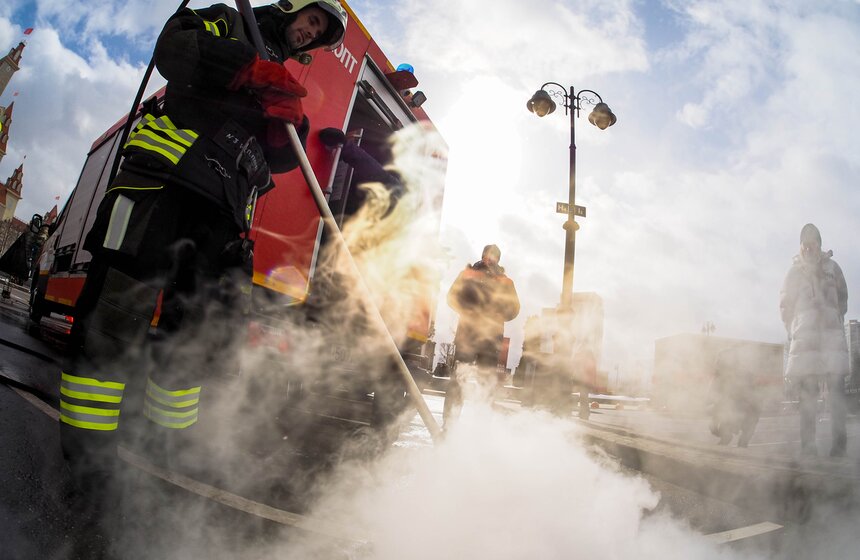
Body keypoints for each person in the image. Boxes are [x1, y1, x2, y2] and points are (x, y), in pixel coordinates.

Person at [58, 0, 347, 554]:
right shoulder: (229, 21)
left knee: (199, 344)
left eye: (319, 31)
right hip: (160, 189)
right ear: (291, 7)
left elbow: (281, 161)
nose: (309, 31)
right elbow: (175, 47)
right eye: (310, 17)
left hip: (223, 217)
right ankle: (89, 472)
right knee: (114, 324)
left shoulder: (287, 75)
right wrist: (244, 69)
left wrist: (291, 120)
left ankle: (164, 458)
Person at [780, 223, 849, 457]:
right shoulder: (794, 272)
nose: (809, 247)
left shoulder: (833, 268)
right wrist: (793, 327)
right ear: (801, 245)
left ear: (820, 244)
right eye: (805, 243)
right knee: (808, 396)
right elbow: (785, 304)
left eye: (813, 242)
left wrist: (835, 317)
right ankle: (808, 447)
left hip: (831, 338)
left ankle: (839, 446)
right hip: (806, 342)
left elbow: (843, 297)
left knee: (837, 393)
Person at [443, 244, 520, 427]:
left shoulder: (505, 281)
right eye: (487, 254)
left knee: (486, 383)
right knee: (459, 380)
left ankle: (480, 428)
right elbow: (451, 297)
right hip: (467, 336)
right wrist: (468, 311)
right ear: (483, 255)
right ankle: (449, 424)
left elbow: (514, 309)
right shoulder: (468, 274)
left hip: (491, 340)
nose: (489, 258)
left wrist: (496, 314)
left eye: (494, 256)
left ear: (498, 259)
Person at [707, 345, 762, 448]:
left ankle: (740, 444)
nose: (718, 362)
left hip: (747, 409)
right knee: (715, 427)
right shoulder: (719, 376)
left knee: (743, 439)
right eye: (719, 360)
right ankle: (726, 438)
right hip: (731, 408)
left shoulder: (744, 374)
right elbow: (711, 394)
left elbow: (751, 396)